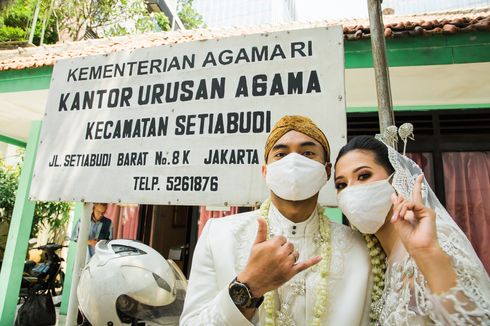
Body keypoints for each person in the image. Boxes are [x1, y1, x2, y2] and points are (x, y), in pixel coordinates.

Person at [181, 116, 372, 325]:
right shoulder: (218, 235)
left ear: (326, 171)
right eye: (281, 154)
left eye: (308, 153)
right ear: (266, 171)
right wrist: (250, 285)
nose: (293, 162)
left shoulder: (358, 247)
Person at [334, 135, 490, 325]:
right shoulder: (374, 259)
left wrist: (427, 253)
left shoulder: (437, 240)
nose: (351, 191)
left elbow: (477, 321)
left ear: (395, 179)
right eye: (341, 185)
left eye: (364, 176)